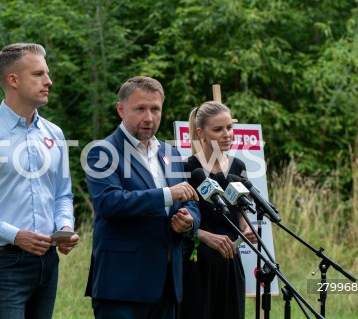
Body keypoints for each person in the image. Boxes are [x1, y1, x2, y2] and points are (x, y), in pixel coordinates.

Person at [0, 42, 79, 319]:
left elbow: (63, 196)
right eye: (38, 74)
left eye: (46, 73)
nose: (49, 81)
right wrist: (15, 235)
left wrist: (66, 227)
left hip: (48, 261)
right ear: (13, 80)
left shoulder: (55, 134)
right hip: (4, 262)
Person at [84, 76, 201, 319]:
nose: (149, 117)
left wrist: (190, 221)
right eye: (140, 109)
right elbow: (108, 203)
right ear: (121, 109)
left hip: (168, 284)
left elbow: (190, 201)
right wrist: (167, 195)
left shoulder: (172, 153)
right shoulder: (102, 151)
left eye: (155, 109)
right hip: (122, 284)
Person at [179, 101, 258, 319]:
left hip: (231, 259)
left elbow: (241, 210)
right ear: (200, 133)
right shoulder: (186, 168)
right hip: (197, 262)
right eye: (218, 129)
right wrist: (205, 236)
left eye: (229, 128)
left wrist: (247, 229)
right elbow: (176, 220)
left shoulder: (238, 166)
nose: (227, 134)